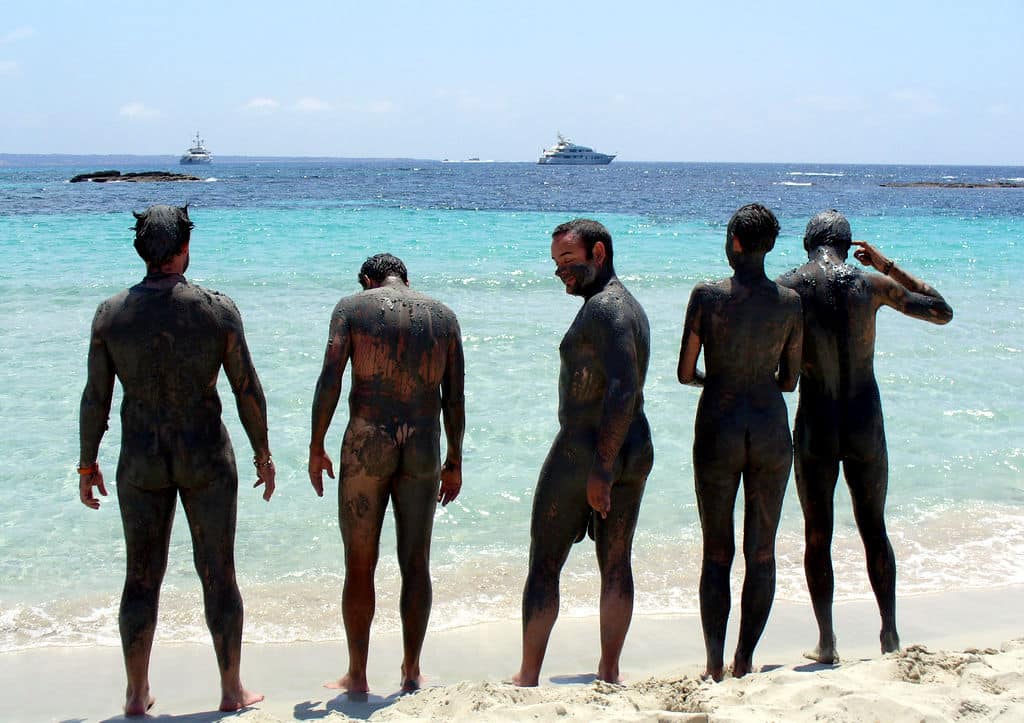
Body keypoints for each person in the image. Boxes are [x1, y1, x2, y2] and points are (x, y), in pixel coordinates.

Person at [78, 204, 275, 716]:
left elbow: (95, 398)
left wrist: (86, 463)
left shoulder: (111, 315)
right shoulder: (217, 310)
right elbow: (247, 389)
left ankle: (136, 693)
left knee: (140, 577)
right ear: (185, 248)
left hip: (141, 461)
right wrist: (263, 453)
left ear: (141, 250)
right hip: (206, 456)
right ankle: (232, 689)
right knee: (218, 572)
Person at [776, 210, 953, 664]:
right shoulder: (870, 284)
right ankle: (890, 635)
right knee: (874, 529)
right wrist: (886, 265)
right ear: (848, 243)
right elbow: (940, 311)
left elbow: (777, 365)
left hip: (817, 422)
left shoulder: (788, 288)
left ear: (807, 244)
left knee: (818, 535)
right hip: (864, 422)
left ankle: (828, 642)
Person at [308, 253, 465, 694]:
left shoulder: (352, 308)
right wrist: (455, 459)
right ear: (405, 278)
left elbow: (330, 378)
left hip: (367, 442)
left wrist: (316, 445)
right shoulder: (443, 317)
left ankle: (357, 675)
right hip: (422, 447)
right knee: (416, 562)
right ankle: (411, 670)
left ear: (367, 280)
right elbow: (454, 398)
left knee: (359, 565)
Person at [513, 219, 653, 687]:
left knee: (545, 561)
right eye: (556, 263)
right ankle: (609, 670)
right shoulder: (631, 307)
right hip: (634, 444)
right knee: (616, 561)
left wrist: (601, 467)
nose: (560, 272)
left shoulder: (605, 310)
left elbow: (623, 386)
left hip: (588, 449)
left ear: (598, 252)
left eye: (568, 261)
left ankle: (528, 675)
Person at [677, 203, 803, 681]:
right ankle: (745, 659)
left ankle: (713, 664)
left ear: (733, 241)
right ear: (769, 246)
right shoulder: (790, 303)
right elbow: (790, 379)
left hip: (719, 426)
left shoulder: (706, 297)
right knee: (762, 551)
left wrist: (716, 379)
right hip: (771, 427)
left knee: (717, 551)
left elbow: (686, 372)